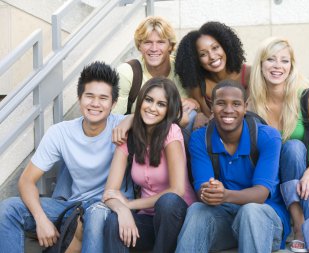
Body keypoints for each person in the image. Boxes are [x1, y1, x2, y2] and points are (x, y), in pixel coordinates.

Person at [0, 61, 133, 252]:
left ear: (113, 104)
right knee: (8, 209)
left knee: (94, 217)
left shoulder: (121, 125)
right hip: (72, 205)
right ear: (79, 99)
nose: (95, 103)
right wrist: (41, 219)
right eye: (89, 96)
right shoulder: (60, 132)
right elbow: (26, 181)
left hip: (108, 207)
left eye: (103, 98)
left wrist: (131, 119)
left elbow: (154, 114)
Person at [175, 80, 290, 253]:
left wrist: (225, 195)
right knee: (198, 210)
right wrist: (210, 193)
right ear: (211, 106)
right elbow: (202, 191)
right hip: (225, 220)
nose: (228, 110)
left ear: (245, 107)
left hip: (264, 221)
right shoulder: (200, 138)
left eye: (236, 104)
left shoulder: (267, 137)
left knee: (250, 211)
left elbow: (260, 194)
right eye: (221, 103)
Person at [249, 37, 309, 253]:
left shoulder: (307, 97)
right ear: (260, 64)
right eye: (271, 60)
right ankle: (299, 224)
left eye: (284, 61)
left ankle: (301, 230)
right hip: (274, 184)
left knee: (295, 151)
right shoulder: (252, 104)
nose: (278, 66)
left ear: (291, 66)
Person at [103, 77, 197, 253]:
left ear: (168, 110)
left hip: (178, 219)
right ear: (141, 101)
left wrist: (130, 205)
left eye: (161, 104)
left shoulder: (171, 132)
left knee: (168, 202)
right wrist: (122, 210)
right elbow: (110, 192)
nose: (152, 108)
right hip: (148, 220)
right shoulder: (128, 137)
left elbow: (177, 190)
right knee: (113, 222)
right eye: (148, 100)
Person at [112, 16, 199, 129]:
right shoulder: (127, 72)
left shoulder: (182, 68)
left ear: (170, 46)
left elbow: (201, 104)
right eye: (147, 42)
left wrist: (195, 103)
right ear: (139, 46)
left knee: (191, 115)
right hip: (137, 133)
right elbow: (114, 119)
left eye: (160, 42)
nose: (154, 48)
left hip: (174, 133)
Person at [175, 21, 251, 118]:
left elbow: (251, 114)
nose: (212, 56)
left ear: (225, 46)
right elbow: (206, 116)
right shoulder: (198, 84)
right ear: (196, 60)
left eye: (215, 48)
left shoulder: (249, 74)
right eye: (203, 54)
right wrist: (198, 113)